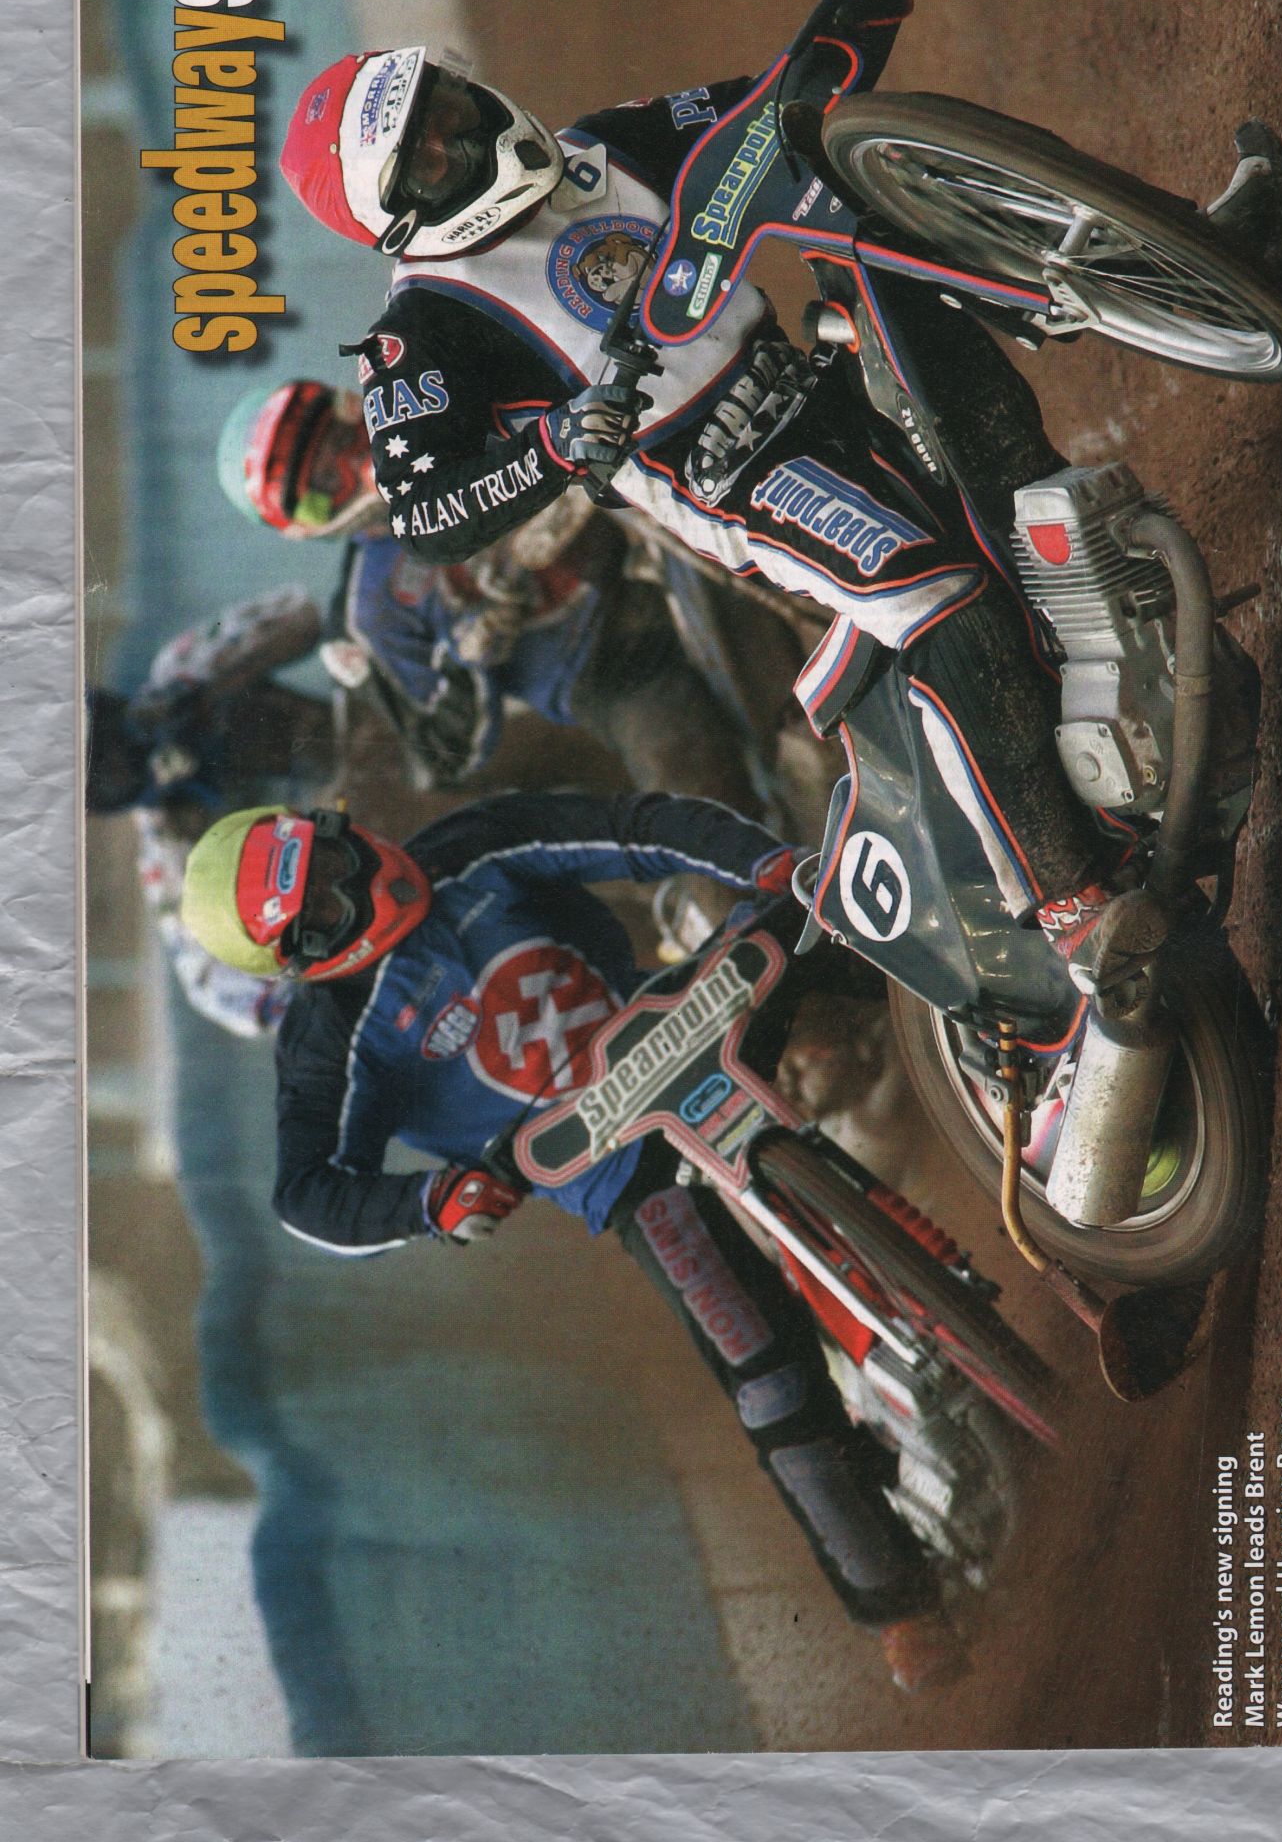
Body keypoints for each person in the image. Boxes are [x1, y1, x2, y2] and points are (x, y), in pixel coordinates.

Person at [275, 0, 1165, 995]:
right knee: (940, 602)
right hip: (732, 477)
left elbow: (766, 118)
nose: (461, 132)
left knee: (978, 408)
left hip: (812, 373)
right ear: (401, 213)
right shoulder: (420, 330)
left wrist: (851, 21)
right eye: (426, 153)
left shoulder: (597, 147)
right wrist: (553, 447)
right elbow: (424, 513)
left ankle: (1162, 261)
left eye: (444, 104)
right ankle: (1072, 905)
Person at [179, 787, 969, 1693]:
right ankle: (902, 1608)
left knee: (856, 929)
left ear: (330, 825)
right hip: (615, 1167)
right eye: (323, 906)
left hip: (693, 1017)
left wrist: (766, 865)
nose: (353, 885)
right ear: (302, 958)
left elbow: (632, 827)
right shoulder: (327, 1040)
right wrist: (430, 1202)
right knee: (766, 1376)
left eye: (330, 857)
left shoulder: (471, 847)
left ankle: (1040, 1050)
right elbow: (306, 1193)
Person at [217, 377, 789, 811]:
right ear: (311, 522)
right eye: (326, 482)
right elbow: (446, 753)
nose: (353, 463)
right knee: (707, 808)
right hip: (615, 663)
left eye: (342, 437)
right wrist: (472, 650)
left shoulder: (442, 409)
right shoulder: (369, 617)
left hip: (654, 522)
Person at [86, 589, 338, 1038]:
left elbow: (304, 612)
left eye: (108, 737)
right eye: (103, 771)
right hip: (353, 855)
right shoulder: (169, 850)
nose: (123, 756)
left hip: (381, 738)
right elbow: (216, 990)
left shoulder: (182, 669)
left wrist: (210, 682)